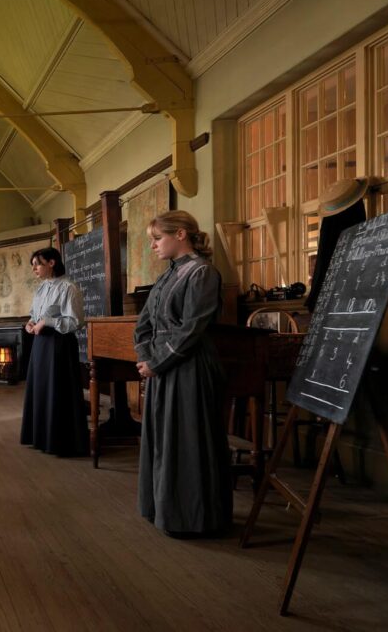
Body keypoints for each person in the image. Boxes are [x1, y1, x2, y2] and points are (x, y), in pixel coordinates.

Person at [133, 210, 231, 538]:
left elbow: (191, 330)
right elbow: (144, 323)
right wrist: (147, 358)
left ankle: (195, 518)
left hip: (190, 368)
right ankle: (165, 510)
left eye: (157, 239)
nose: (153, 247)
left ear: (180, 235)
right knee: (164, 439)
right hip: (163, 368)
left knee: (188, 441)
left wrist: (157, 363)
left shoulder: (202, 273)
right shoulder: (167, 275)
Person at [19, 246, 87, 457]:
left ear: (51, 263)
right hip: (41, 344)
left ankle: (60, 442)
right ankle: (40, 438)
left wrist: (46, 322)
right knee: (41, 389)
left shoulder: (68, 287)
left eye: (37, 264)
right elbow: (35, 314)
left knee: (57, 390)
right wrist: (31, 323)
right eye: (33, 266)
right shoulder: (41, 288)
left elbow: (76, 322)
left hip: (59, 346)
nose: (34, 269)